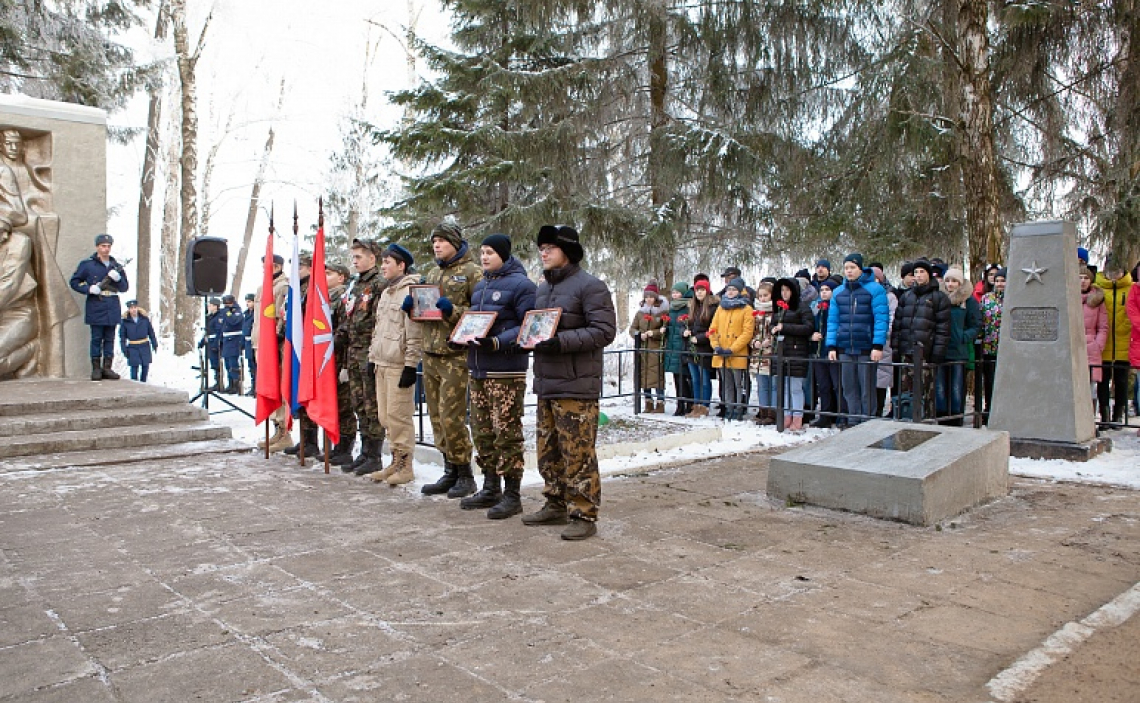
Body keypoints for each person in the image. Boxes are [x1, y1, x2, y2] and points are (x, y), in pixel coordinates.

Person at [522, 224, 616, 540]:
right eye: (541, 248)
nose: (543, 253)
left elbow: (604, 331)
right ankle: (555, 502)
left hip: (577, 385)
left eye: (550, 247)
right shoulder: (543, 288)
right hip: (547, 382)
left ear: (568, 251)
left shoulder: (591, 286)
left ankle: (584, 514)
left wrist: (559, 341)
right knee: (548, 451)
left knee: (578, 453)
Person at [456, 234, 536, 517]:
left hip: (506, 371)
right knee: (482, 431)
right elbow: (474, 324)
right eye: (482, 252)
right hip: (478, 368)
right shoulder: (480, 286)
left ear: (503, 254)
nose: (485, 257)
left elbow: (528, 326)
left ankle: (513, 494)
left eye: (490, 252)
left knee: (507, 433)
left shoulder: (522, 285)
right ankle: (491, 487)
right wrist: (460, 337)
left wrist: (498, 342)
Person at [407, 221, 482, 498]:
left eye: (441, 241)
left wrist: (453, 310)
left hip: (456, 354)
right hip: (431, 352)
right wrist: (413, 309)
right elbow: (425, 311)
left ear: (454, 242)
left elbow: (479, 315)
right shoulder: (432, 272)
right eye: (434, 241)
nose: (436, 245)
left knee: (452, 417)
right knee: (436, 416)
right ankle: (449, 468)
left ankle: (465, 473)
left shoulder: (473, 272)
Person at [366, 244, 422, 485]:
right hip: (382, 361)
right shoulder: (387, 292)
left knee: (399, 416)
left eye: (388, 262)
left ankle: (405, 465)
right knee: (386, 416)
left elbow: (415, 330)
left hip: (399, 363)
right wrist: (371, 358)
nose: (383, 266)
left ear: (402, 265)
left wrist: (411, 364)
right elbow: (378, 329)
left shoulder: (411, 291)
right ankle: (394, 460)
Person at [340, 239, 388, 474]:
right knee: (358, 402)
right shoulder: (355, 285)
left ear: (373, 258)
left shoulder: (379, 283)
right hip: (353, 351)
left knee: (372, 404)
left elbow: (379, 320)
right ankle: (364, 452)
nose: (355, 261)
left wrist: (373, 353)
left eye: (359, 257)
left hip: (369, 351)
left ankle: (375, 455)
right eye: (354, 257)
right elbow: (349, 315)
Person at [825, 253, 889, 426]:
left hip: (866, 346)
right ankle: (853, 421)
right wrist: (831, 346)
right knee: (849, 387)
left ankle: (868, 422)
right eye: (846, 268)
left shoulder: (875, 290)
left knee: (867, 389)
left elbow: (881, 319)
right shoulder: (838, 292)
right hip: (845, 346)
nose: (849, 271)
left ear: (860, 268)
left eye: (852, 267)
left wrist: (878, 344)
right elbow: (833, 321)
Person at [892, 259, 951, 421]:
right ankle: (906, 418)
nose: (918, 276)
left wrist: (938, 352)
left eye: (921, 272)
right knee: (906, 391)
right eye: (915, 273)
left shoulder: (939, 298)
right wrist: (896, 348)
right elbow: (898, 325)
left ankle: (927, 420)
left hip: (926, 352)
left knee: (926, 391)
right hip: (907, 351)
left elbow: (943, 328)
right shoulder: (906, 296)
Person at [70, 234, 129, 381]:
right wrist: (89, 289)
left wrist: (118, 278)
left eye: (108, 246)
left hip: (112, 304)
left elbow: (124, 287)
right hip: (96, 304)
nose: (106, 249)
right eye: (103, 246)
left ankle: (107, 368)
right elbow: (74, 282)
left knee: (110, 338)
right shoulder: (88, 265)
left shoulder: (115, 266)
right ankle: (96, 368)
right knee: (96, 338)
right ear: (97, 247)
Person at [253, 253, 293, 453]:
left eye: (267, 266)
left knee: (279, 387)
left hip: (275, 345)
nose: (264, 270)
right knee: (269, 388)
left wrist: (276, 339)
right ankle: (277, 427)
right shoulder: (263, 288)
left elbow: (281, 316)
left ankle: (284, 430)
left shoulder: (283, 287)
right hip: (261, 343)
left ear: (276, 266)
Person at [708, 277, 756, 421]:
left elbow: (747, 332)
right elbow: (713, 328)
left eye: (734, 289)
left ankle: (739, 407)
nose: (730, 292)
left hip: (737, 352)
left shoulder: (746, 309)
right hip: (721, 351)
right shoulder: (721, 308)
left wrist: (733, 348)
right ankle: (729, 407)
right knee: (726, 383)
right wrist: (716, 345)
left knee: (738, 382)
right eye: (729, 289)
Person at [937, 268, 981, 425]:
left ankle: (956, 419)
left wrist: (963, 336)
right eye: (948, 280)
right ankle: (941, 418)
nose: (950, 284)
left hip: (959, 351)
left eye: (954, 281)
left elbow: (976, 325)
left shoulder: (968, 301)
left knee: (956, 388)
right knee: (940, 388)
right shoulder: (939, 299)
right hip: (941, 350)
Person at [770, 277, 814, 431]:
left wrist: (785, 327)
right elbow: (773, 324)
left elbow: (808, 327)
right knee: (785, 387)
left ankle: (798, 417)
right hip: (782, 352)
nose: (784, 293)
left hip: (797, 351)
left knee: (796, 387)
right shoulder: (779, 309)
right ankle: (787, 415)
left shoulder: (802, 308)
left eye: (787, 290)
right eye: (782, 290)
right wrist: (773, 330)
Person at [325, 262, 357, 465]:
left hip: (340, 357)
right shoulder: (324, 298)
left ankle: (345, 448)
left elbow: (345, 329)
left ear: (341, 278)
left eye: (329, 274)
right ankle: (336, 446)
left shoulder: (343, 297)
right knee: (334, 403)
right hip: (327, 359)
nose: (325, 276)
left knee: (344, 404)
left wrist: (344, 364)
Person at [1094, 259, 1133, 424]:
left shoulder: (1131, 289)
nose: (1113, 276)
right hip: (1103, 342)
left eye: (1117, 272)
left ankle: (1119, 414)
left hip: (1124, 341)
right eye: (1110, 272)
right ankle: (1104, 414)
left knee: (1121, 380)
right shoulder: (1098, 288)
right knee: (1102, 381)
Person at [629, 280, 668, 413]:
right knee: (644, 376)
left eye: (651, 296)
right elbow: (632, 329)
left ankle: (660, 402)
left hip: (656, 348)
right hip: (643, 349)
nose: (649, 299)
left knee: (657, 376)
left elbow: (665, 329)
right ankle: (648, 402)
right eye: (647, 297)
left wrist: (654, 333)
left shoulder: (662, 312)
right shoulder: (640, 313)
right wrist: (639, 335)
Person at [809, 279, 839, 428]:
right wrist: (812, 335)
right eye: (822, 290)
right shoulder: (817, 309)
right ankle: (825, 415)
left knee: (837, 385)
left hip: (832, 351)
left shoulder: (836, 308)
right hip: (819, 352)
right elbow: (811, 326)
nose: (824, 292)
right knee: (823, 386)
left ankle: (840, 414)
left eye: (827, 289)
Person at [683, 279, 716, 417]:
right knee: (695, 379)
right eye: (697, 290)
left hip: (704, 349)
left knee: (704, 378)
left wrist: (700, 338)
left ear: (707, 291)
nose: (699, 293)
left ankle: (705, 405)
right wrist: (684, 332)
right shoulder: (692, 307)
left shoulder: (713, 308)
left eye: (702, 290)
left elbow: (713, 329)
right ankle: (696, 405)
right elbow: (684, 324)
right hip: (691, 348)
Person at [1080, 266, 1108, 417]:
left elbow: (1103, 327)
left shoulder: (1097, 300)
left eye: (1086, 278)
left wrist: (1098, 345)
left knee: (1090, 388)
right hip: (1071, 348)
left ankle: (1089, 420)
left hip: (1090, 347)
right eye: (1079, 277)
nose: (1083, 281)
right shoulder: (1067, 298)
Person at [979, 268, 1005, 422]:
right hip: (989, 346)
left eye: (1003, 280)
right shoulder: (986, 298)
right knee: (989, 380)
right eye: (997, 281)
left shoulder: (1014, 298)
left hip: (1007, 348)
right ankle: (988, 409)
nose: (1000, 284)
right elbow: (981, 319)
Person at [871, 267, 898, 419]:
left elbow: (891, 318)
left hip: (883, 342)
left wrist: (880, 334)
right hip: (867, 341)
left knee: (881, 377)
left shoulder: (890, 297)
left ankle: (878, 409)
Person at [663, 281, 692, 416]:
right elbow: (671, 325)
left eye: (677, 292)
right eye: (673, 292)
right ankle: (679, 404)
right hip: (672, 346)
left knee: (685, 377)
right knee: (676, 377)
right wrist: (665, 328)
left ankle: (689, 403)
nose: (675, 295)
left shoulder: (688, 307)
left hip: (683, 345)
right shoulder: (672, 308)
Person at [750, 281, 776, 425]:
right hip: (757, 354)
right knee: (761, 384)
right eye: (760, 296)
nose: (763, 298)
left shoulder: (775, 312)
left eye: (765, 295)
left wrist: (770, 341)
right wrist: (754, 342)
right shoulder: (756, 314)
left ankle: (772, 413)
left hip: (770, 353)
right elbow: (750, 332)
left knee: (772, 384)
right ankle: (763, 410)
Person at [118, 300, 157, 382]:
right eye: (131, 308)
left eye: (135, 307)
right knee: (134, 367)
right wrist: (124, 349)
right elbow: (122, 337)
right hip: (133, 347)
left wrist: (154, 343)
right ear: (129, 309)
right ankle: (134, 384)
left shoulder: (144, 319)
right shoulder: (125, 321)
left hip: (144, 345)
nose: (134, 310)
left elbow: (151, 332)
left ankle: (144, 382)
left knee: (145, 366)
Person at [218, 294, 244, 394]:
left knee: (233, 362)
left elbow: (233, 321)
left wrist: (227, 313)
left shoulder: (236, 311)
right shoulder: (224, 311)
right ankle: (230, 384)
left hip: (234, 339)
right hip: (226, 340)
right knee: (227, 363)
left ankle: (236, 384)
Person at [197, 297, 222, 391]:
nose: (209, 307)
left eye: (211, 305)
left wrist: (216, 343)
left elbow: (218, 331)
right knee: (213, 363)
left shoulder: (219, 317)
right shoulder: (209, 317)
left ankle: (219, 382)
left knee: (216, 363)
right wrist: (202, 342)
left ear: (216, 306)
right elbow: (208, 331)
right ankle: (216, 381)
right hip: (210, 342)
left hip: (214, 342)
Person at [242, 293, 257, 397]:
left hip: (254, 341)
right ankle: (253, 386)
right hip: (247, 342)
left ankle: (257, 387)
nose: (248, 304)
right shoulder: (246, 314)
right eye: (247, 302)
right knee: (250, 366)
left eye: (250, 301)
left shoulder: (256, 313)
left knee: (256, 366)